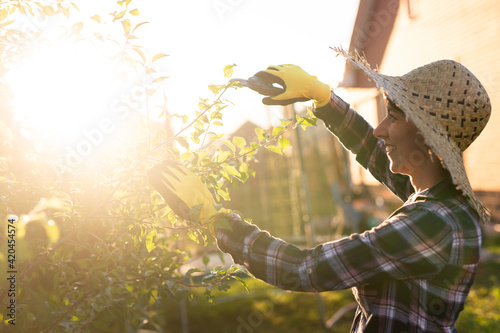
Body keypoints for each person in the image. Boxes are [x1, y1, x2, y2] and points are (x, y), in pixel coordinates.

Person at [148, 49, 491, 332]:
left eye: (394, 117)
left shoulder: (432, 225)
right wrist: (323, 98)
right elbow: (374, 154)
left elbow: (305, 268)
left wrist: (216, 220)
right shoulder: (445, 201)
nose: (380, 130)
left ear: (427, 141)